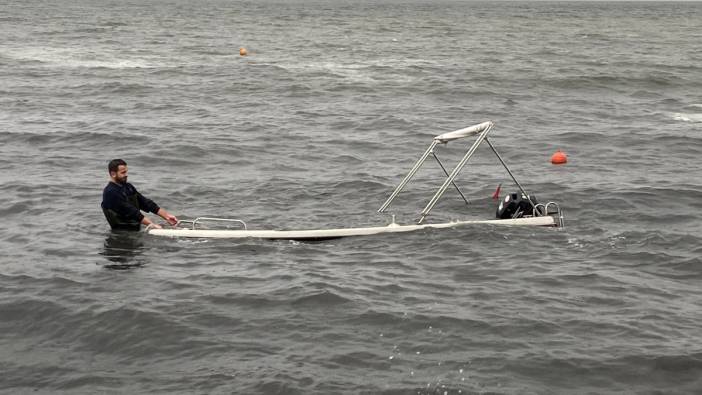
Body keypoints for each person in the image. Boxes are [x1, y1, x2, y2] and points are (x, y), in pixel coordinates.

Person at [101, 159, 178, 230]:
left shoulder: (128, 187)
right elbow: (131, 212)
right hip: (121, 234)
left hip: (135, 227)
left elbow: (145, 202)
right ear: (113, 174)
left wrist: (167, 216)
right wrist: (152, 225)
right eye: (123, 173)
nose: (126, 175)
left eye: (126, 172)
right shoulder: (110, 192)